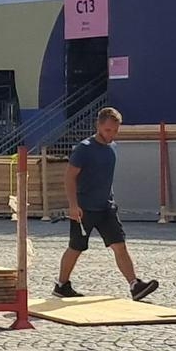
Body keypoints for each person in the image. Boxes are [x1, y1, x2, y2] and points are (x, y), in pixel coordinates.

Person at [56, 106, 159, 302]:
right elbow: (69, 178)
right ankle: (61, 285)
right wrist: (72, 205)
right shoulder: (83, 149)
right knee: (76, 247)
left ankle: (134, 285)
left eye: (115, 130)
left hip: (106, 207)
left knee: (119, 245)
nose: (111, 134)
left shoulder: (113, 147)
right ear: (98, 126)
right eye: (108, 130)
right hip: (84, 208)